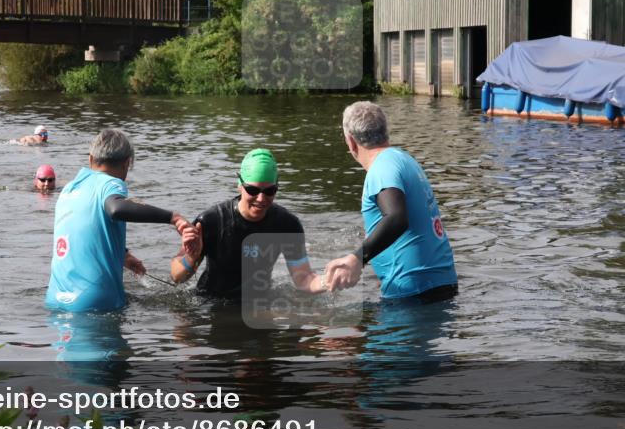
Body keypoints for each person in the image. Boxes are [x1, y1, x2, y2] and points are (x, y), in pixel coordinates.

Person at [45, 128, 193, 312]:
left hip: (55, 298)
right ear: (127, 163)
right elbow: (116, 209)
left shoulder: (69, 188)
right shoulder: (110, 183)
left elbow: (83, 229)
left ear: (91, 159)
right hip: (94, 302)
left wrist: (123, 255)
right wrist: (172, 217)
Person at [324, 102, 457, 302]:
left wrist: (356, 259)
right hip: (441, 284)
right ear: (386, 132)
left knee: (329, 329)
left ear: (350, 141)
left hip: (412, 293)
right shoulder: (404, 160)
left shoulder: (381, 168)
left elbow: (396, 218)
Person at [171, 149, 329, 297]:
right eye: (252, 190)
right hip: (211, 301)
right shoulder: (211, 221)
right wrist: (192, 257)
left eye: (269, 191)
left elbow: (304, 279)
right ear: (240, 184)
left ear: (277, 186)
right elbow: (176, 277)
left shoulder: (287, 225)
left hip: (258, 301)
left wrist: (329, 281)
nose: (261, 199)